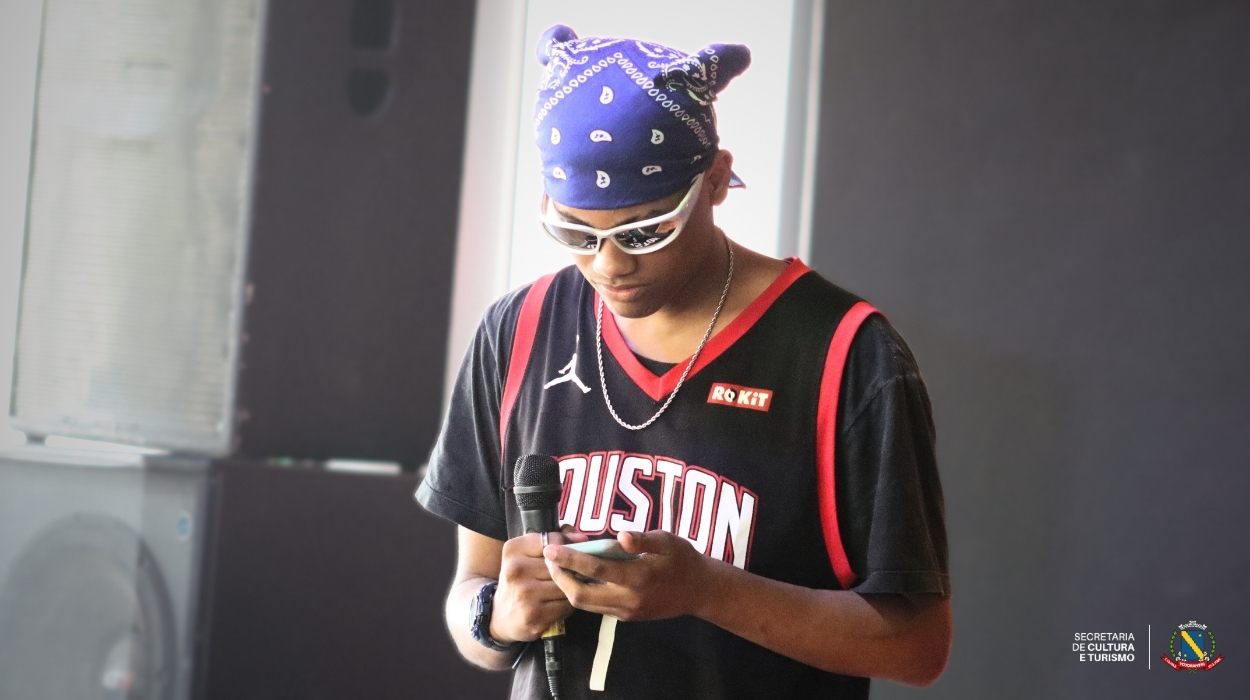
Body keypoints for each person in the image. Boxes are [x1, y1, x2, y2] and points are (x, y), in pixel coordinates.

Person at [417, 25, 951, 699]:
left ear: (717, 179)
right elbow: (472, 589)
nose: (609, 264)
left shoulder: (846, 354)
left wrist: (706, 591)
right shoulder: (516, 330)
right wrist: (495, 618)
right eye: (575, 231)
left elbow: (918, 646)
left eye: (646, 231)